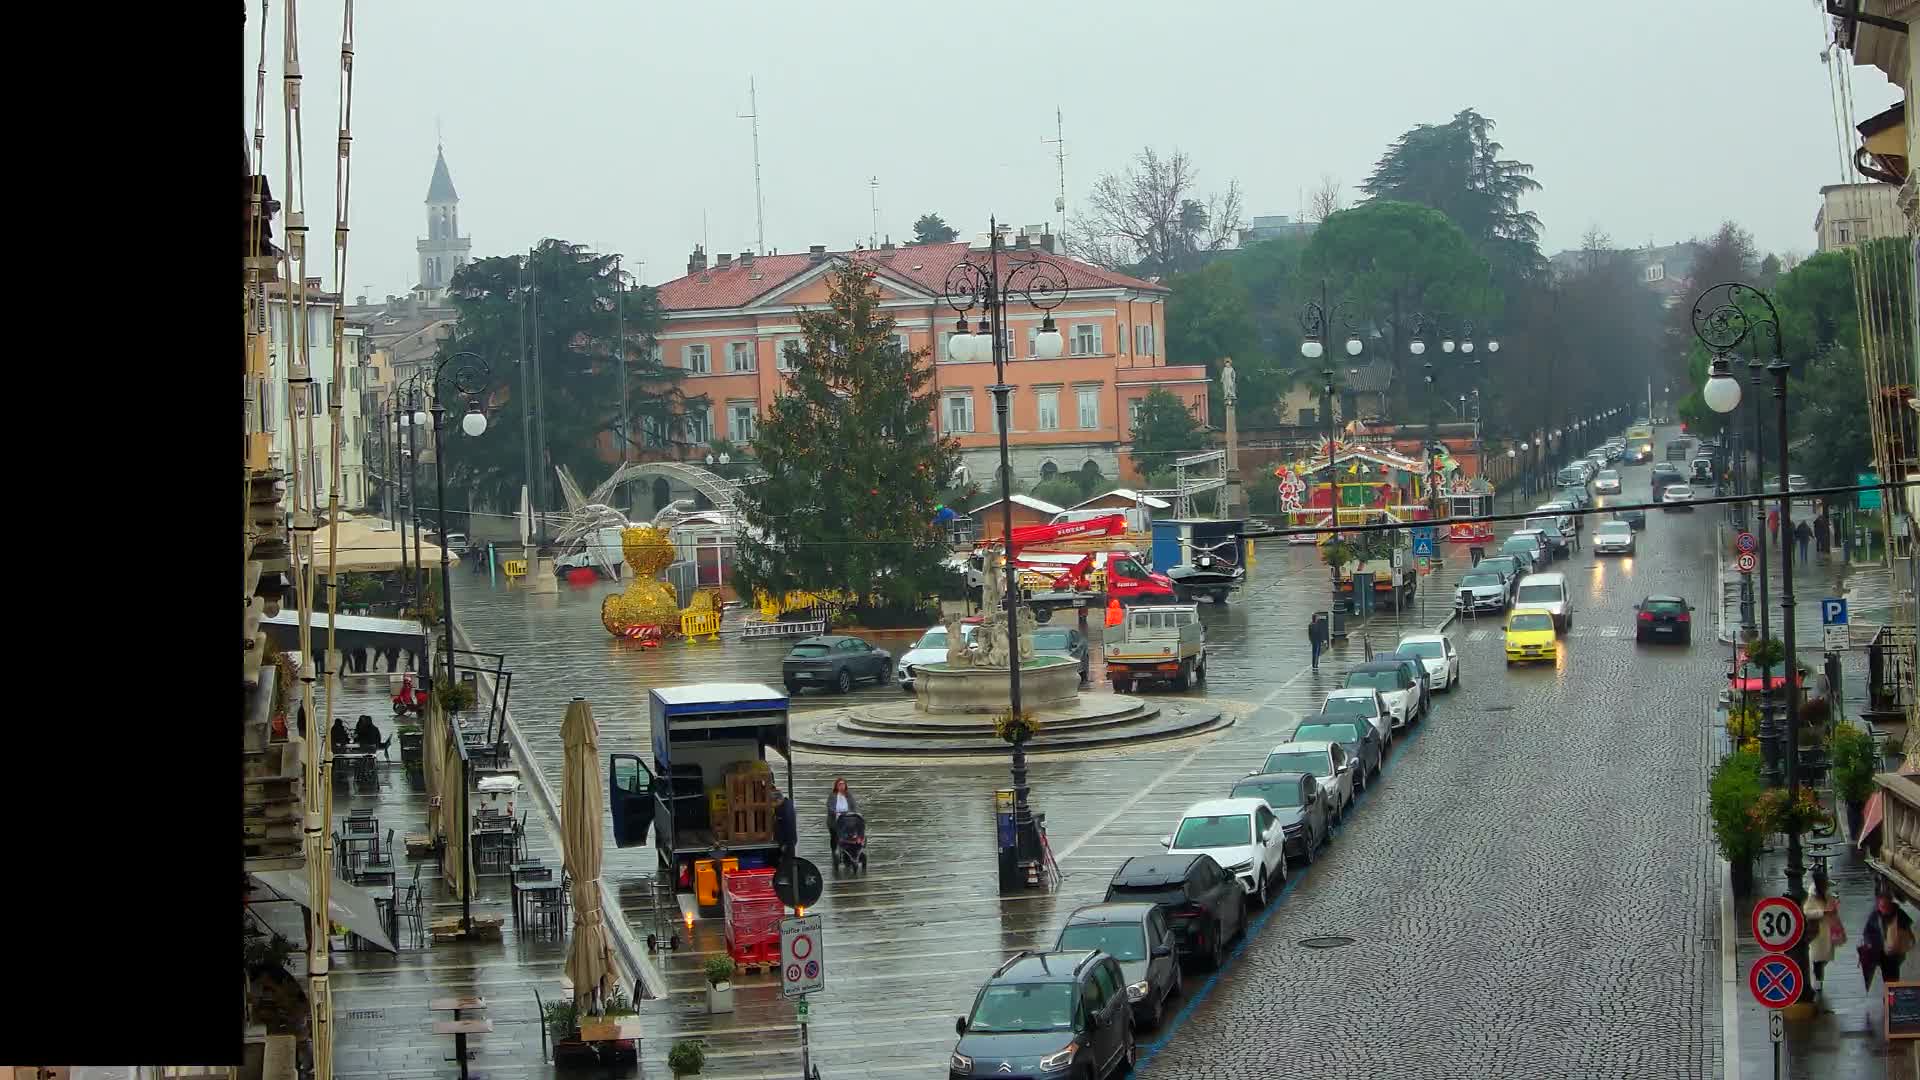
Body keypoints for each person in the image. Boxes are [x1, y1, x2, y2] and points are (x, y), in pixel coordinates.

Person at [1860, 891, 1915, 989]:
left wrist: (1910, 939)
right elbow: (1867, 932)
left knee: (1892, 976)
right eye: (1881, 906)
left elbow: (1907, 928)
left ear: (1891, 904)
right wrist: (1869, 943)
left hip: (1895, 952)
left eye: (1886, 906)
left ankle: (1890, 993)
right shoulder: (1875, 915)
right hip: (1881, 952)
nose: (1883, 909)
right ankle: (1890, 992)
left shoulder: (1899, 914)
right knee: (1888, 977)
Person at [1805, 865, 1843, 995]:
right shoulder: (1812, 896)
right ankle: (1818, 980)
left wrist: (1834, 909)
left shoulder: (1826, 894)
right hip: (1817, 931)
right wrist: (1822, 912)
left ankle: (1818, 977)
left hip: (1828, 930)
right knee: (1818, 958)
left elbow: (1832, 908)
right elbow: (1807, 912)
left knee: (1824, 958)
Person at [824, 778, 859, 848]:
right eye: (840, 784)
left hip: (847, 818)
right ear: (836, 786)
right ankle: (834, 850)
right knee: (834, 837)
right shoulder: (832, 795)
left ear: (845, 786)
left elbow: (853, 806)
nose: (842, 786)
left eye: (843, 784)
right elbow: (829, 806)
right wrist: (835, 812)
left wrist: (851, 813)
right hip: (835, 819)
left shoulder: (849, 795)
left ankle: (846, 848)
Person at [772, 788, 798, 864]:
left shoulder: (786, 810)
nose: (771, 806)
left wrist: (785, 844)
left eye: (772, 803)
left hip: (787, 843)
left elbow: (790, 828)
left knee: (786, 863)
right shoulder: (785, 804)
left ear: (778, 800)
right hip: (785, 841)